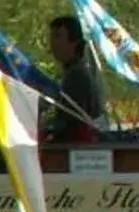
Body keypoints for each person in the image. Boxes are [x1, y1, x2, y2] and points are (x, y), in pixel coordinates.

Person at [44, 15, 104, 143]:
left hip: (82, 152)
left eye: (58, 36)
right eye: (52, 37)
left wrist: (45, 129)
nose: (53, 43)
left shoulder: (77, 75)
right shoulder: (71, 71)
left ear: (74, 41)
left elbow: (70, 121)